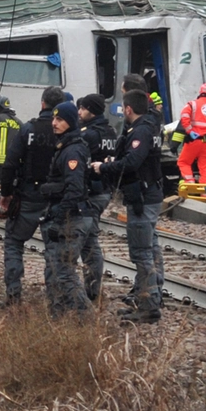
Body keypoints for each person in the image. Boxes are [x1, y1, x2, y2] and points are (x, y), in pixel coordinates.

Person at [92, 89, 165, 324]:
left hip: (142, 196)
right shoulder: (151, 126)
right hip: (149, 193)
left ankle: (149, 304)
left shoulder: (141, 130)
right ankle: (151, 295)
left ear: (128, 109)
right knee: (151, 247)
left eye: (124, 108)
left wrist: (104, 168)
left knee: (142, 252)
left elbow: (133, 162)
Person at [0, 86, 63, 306]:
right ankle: (55, 300)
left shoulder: (28, 129)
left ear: (43, 103)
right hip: (55, 199)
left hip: (28, 196)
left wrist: (5, 194)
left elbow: (10, 163)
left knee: (14, 243)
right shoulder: (67, 133)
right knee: (53, 249)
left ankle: (14, 296)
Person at [39, 102, 92, 317]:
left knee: (64, 271)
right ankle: (59, 315)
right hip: (66, 216)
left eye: (59, 120)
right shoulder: (66, 146)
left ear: (70, 122)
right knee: (57, 268)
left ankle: (85, 316)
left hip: (71, 218)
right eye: (54, 119)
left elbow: (74, 189)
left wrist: (60, 219)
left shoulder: (73, 150)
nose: (54, 123)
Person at [77, 93, 116, 302]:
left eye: (82, 109)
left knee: (89, 241)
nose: (79, 112)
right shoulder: (110, 131)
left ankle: (91, 290)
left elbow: (82, 164)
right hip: (105, 191)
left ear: (91, 110)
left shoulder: (89, 134)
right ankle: (91, 287)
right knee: (89, 239)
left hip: (92, 191)